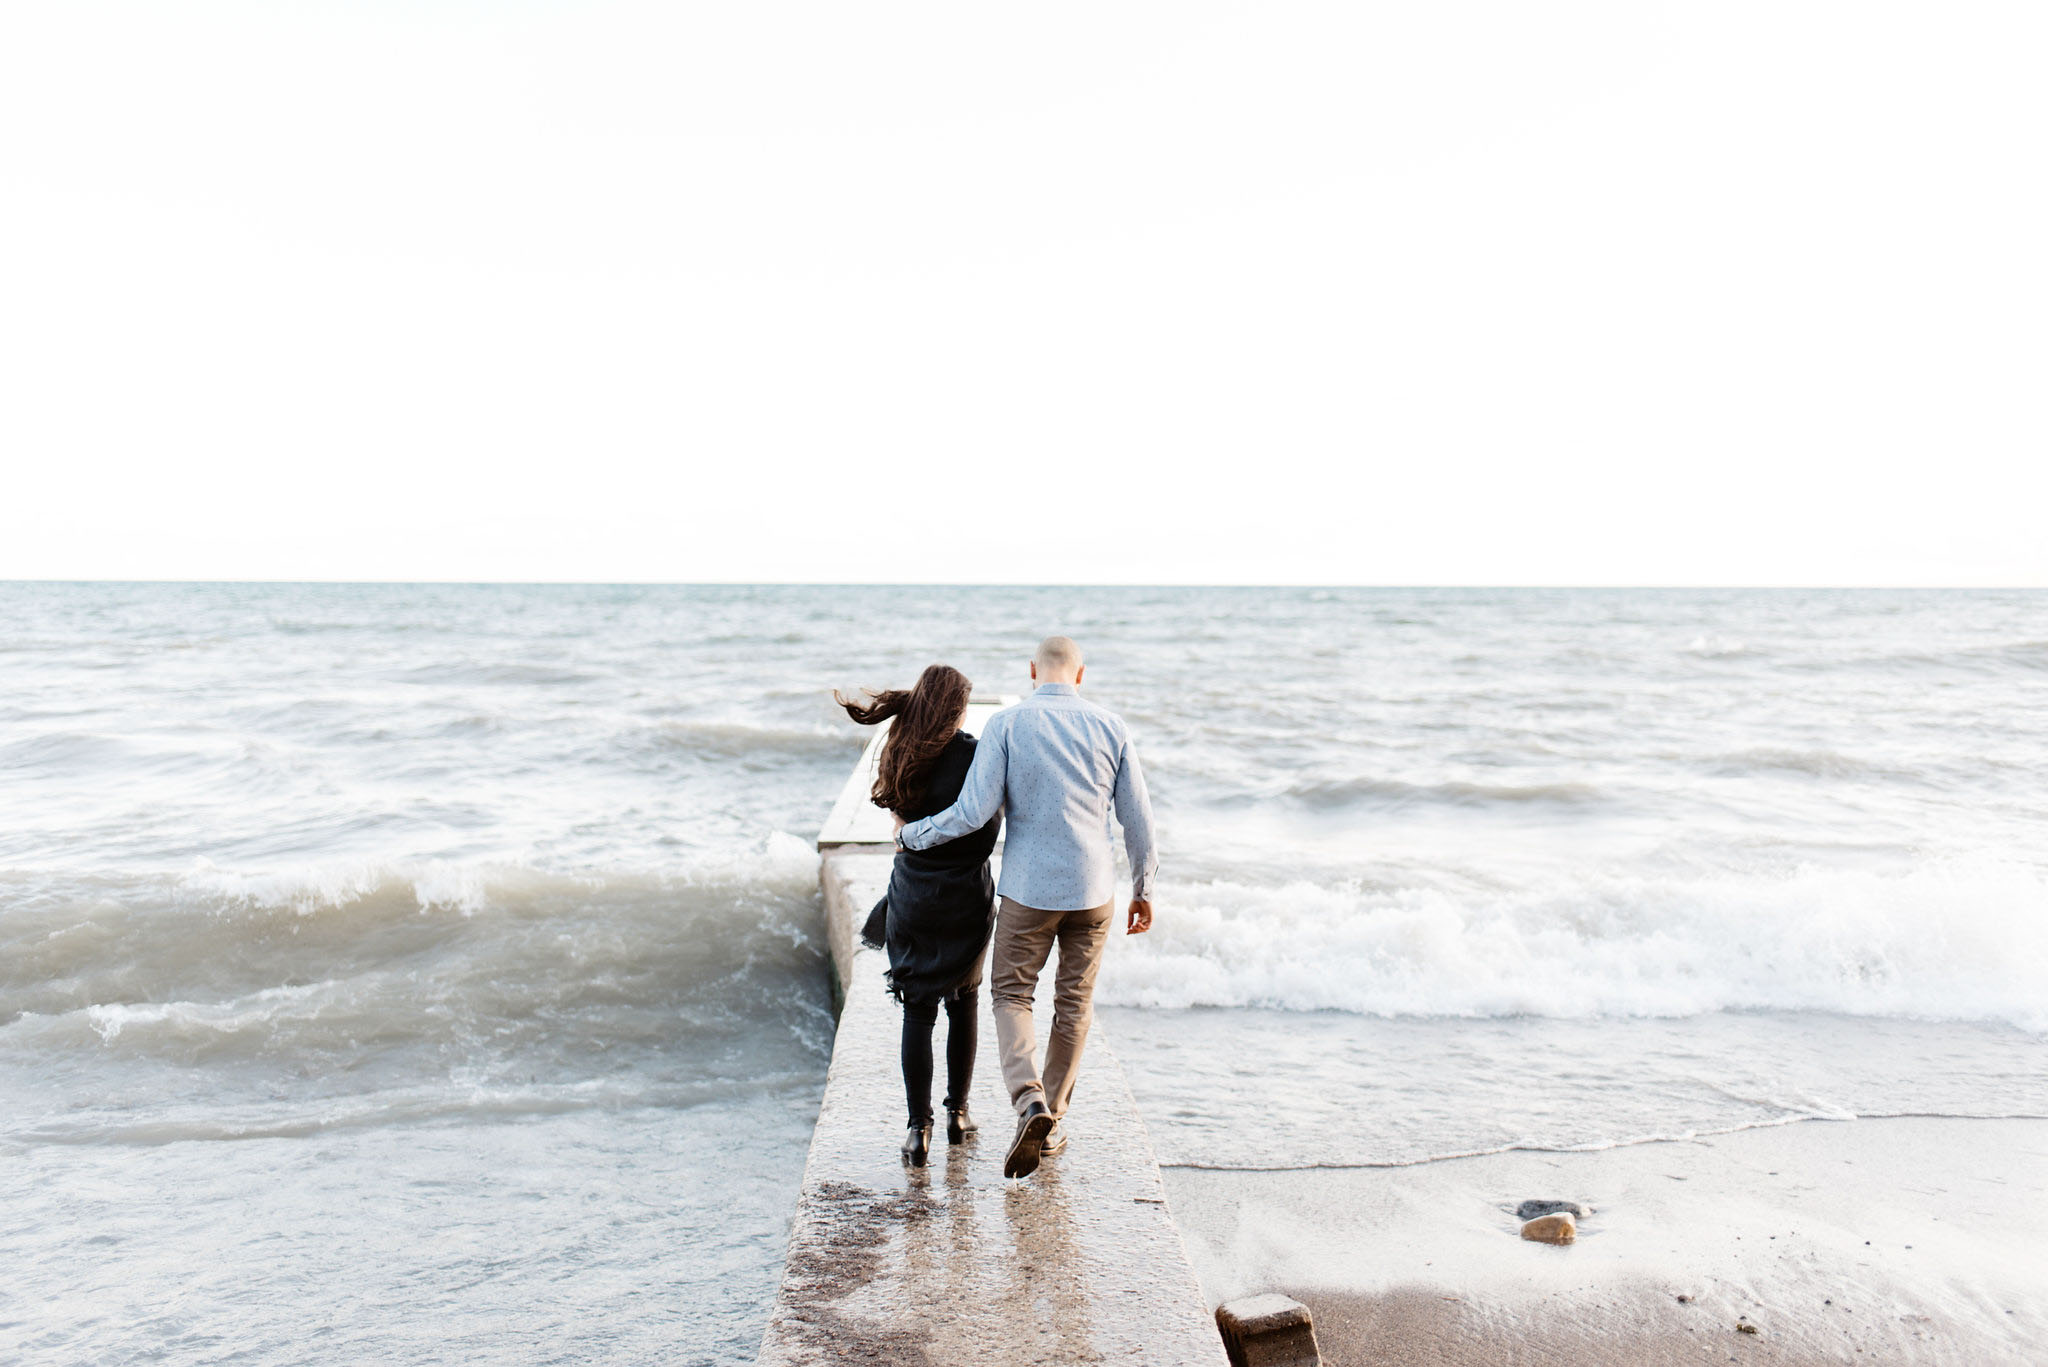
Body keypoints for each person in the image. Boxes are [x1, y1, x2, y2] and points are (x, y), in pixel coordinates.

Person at [895, 636, 1156, 1179]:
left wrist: (913, 837)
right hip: (1094, 892)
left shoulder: (1007, 725)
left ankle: (1028, 1101)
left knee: (1011, 993)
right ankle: (1053, 1120)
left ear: (1032, 670)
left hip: (1028, 891)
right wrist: (1144, 888)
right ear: (1080, 676)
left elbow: (971, 813)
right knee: (1074, 1003)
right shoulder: (1113, 727)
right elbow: (1138, 819)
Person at [836, 665, 1001, 1167]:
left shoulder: (900, 747)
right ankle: (958, 1113)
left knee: (917, 1011)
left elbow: (896, 817)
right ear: (956, 709)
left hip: (912, 897)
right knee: (964, 1002)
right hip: (965, 899)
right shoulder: (975, 756)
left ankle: (917, 1129)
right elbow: (985, 827)